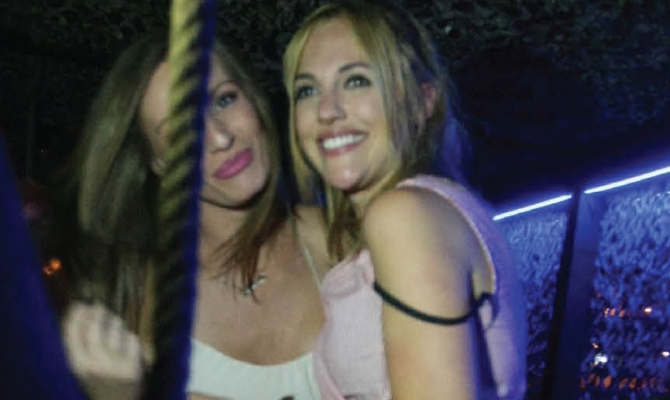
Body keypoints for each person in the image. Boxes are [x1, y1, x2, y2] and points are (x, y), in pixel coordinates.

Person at [60, 31, 329, 400]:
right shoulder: (140, 314)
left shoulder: (346, 240)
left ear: (253, 97)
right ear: (158, 164)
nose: (220, 138)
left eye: (224, 99)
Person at [282, 1, 527, 399]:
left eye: (356, 80)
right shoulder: (435, 213)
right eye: (307, 90)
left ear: (423, 102)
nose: (327, 110)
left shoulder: (406, 216)